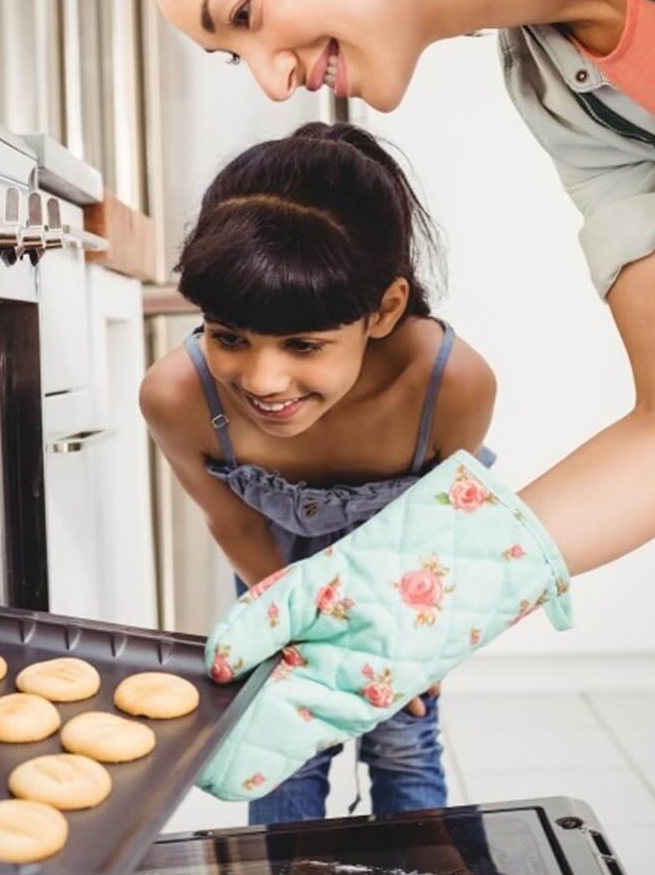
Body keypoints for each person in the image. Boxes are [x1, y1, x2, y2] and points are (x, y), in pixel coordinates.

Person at [117, 0, 655, 803]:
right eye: (232, 55)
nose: (274, 81)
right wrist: (425, 592)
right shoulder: (568, 95)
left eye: (243, 10)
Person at [141, 122, 495, 822]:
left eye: (304, 343)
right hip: (273, 576)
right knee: (277, 751)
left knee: (403, 742)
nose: (263, 378)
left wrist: (412, 646)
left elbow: (446, 529)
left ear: (383, 309)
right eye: (228, 336)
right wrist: (292, 635)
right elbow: (232, 520)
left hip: (403, 588)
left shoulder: (448, 383)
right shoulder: (177, 396)